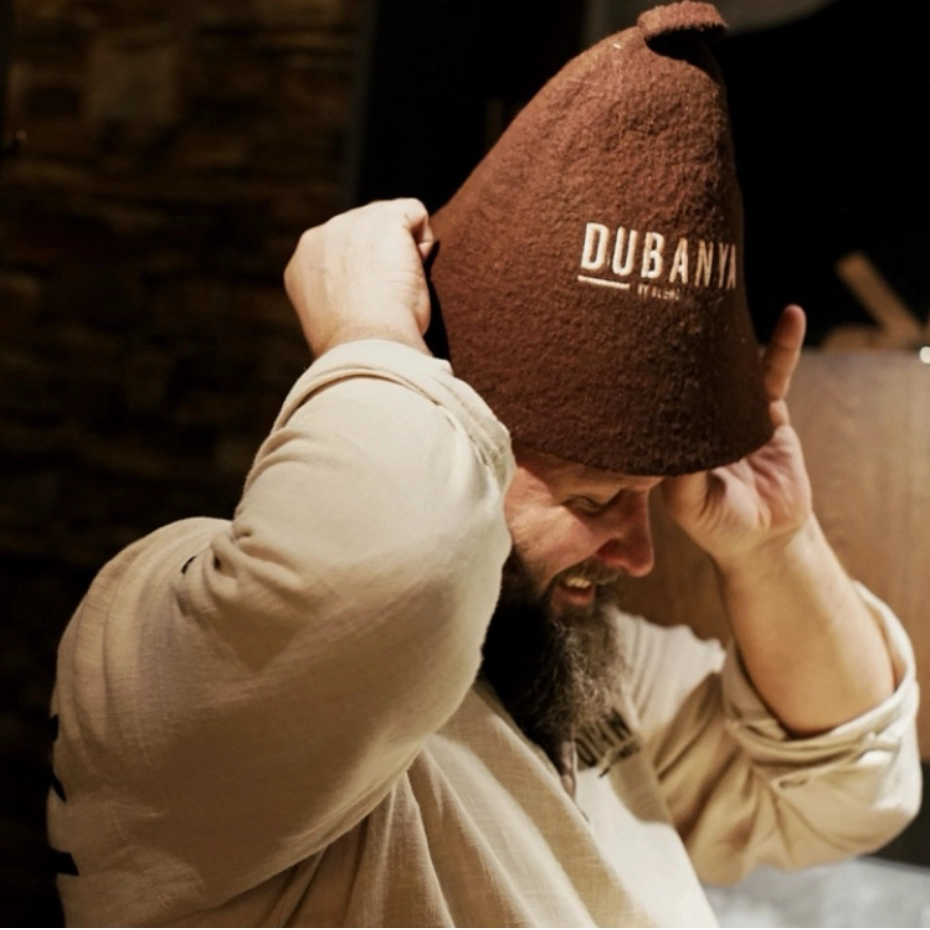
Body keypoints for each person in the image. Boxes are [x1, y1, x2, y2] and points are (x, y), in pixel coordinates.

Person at [48, 5, 920, 927]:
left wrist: (776, 544)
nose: (639, 554)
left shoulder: (568, 665)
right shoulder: (177, 644)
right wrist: (371, 334)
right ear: (446, 424)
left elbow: (847, 793)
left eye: (643, 499)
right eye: (594, 497)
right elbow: (375, 582)